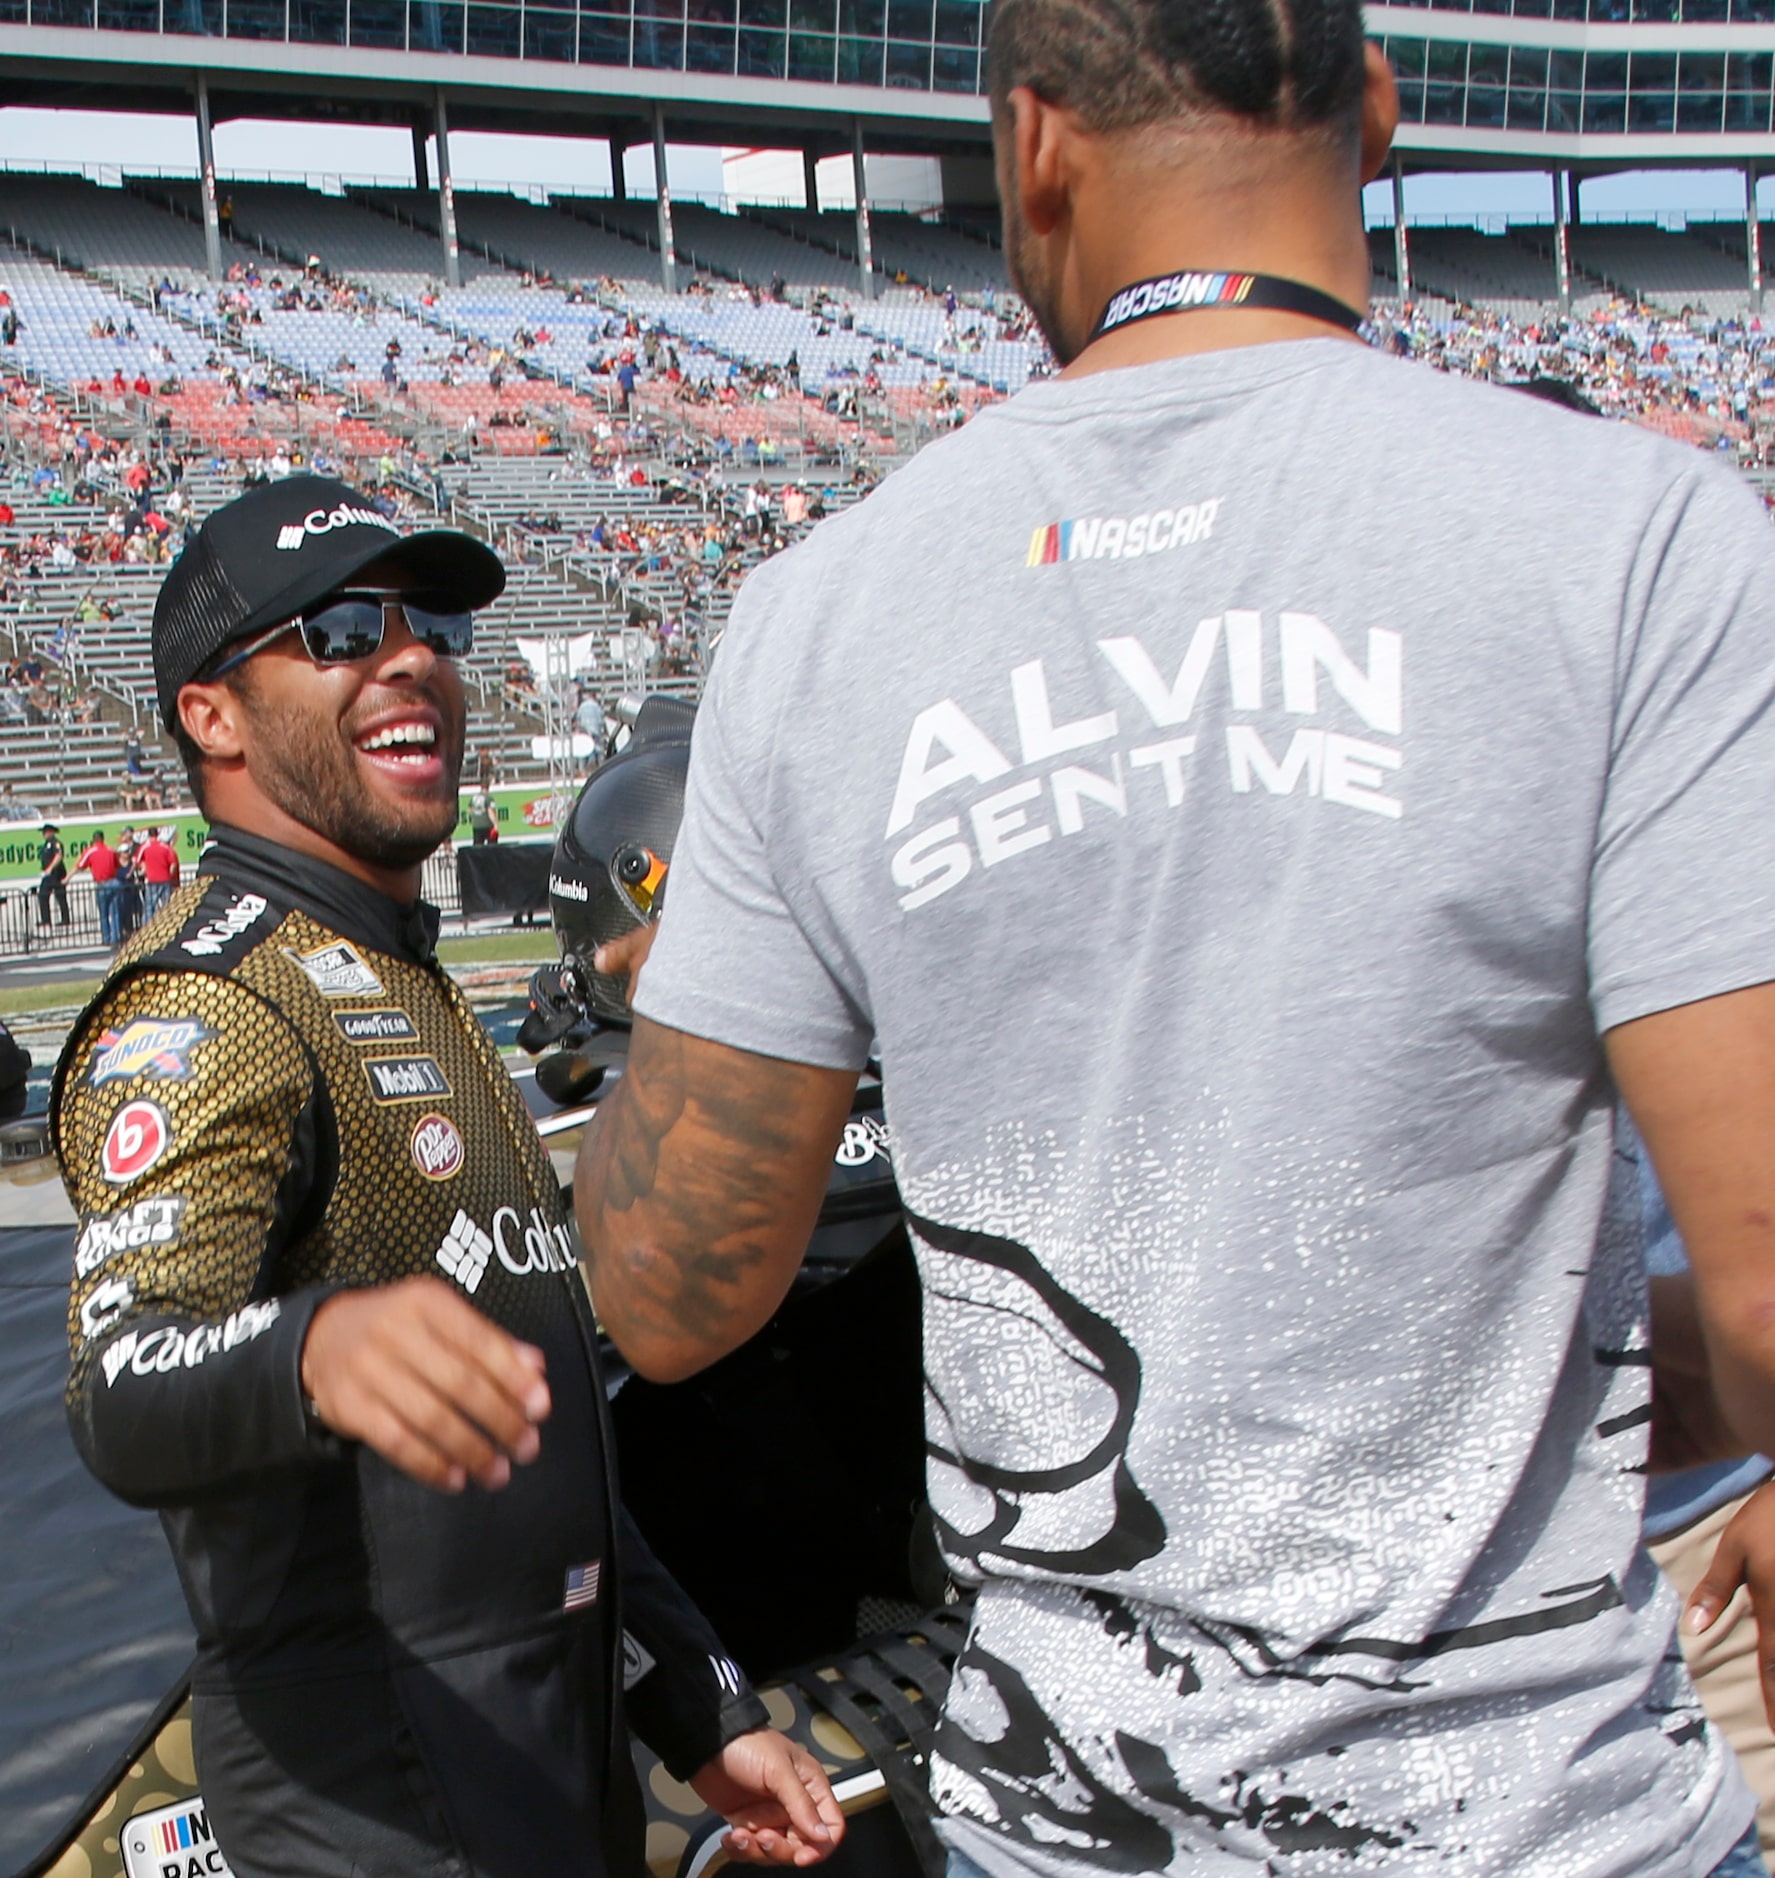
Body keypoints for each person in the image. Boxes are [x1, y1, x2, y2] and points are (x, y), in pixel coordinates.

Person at [572, 6, 1775, 1876]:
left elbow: (664, 1283)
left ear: (1034, 142)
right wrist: (1518, 1376)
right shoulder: (1637, 534)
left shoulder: (824, 619)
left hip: (1078, 1827)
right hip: (1551, 1825)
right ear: (1371, 113)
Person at [53, 476, 844, 1878]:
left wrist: (694, 1701)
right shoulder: (213, 1003)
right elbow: (120, 1380)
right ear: (211, 715)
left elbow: (544, 1438)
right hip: (378, 1804)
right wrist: (314, 1349)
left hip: (542, 1758)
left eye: (431, 624)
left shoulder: (397, 972)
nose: (408, 652)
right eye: (342, 626)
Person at [75, 827, 122, 948]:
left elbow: (80, 866)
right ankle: (115, 938)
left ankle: (106, 938)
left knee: (104, 913)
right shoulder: (111, 850)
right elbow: (118, 866)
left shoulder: (90, 851)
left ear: (94, 840)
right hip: (114, 882)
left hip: (102, 884)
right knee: (115, 912)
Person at [134, 822, 180, 920]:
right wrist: (169, 875)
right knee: (167, 906)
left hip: (152, 881)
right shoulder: (165, 847)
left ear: (148, 835)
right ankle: (167, 926)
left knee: (149, 907)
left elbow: (137, 862)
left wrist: (145, 871)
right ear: (158, 834)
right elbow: (173, 864)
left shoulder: (144, 847)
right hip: (165, 880)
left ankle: (146, 929)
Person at [36, 822, 67, 928]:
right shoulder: (46, 844)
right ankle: (45, 919)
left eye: (45, 832)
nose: (44, 834)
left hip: (56, 874)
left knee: (60, 896)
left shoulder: (56, 843)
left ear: (51, 832)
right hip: (48, 876)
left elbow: (59, 856)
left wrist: (50, 868)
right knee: (42, 895)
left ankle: (65, 919)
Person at [468, 779, 496, 846]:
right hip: (487, 825)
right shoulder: (489, 798)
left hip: (476, 825)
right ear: (488, 787)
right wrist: (495, 825)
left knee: (477, 846)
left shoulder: (473, 797)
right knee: (492, 846)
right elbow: (491, 812)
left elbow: (469, 810)